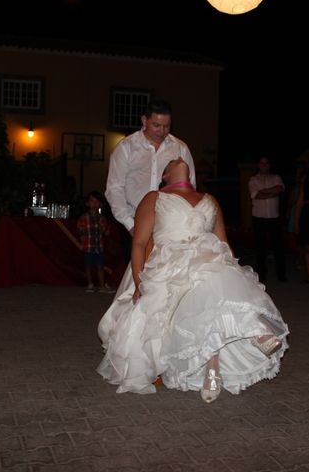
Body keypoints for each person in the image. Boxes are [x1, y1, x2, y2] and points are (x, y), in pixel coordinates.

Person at [97, 158, 289, 402]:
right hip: (170, 265)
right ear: (165, 175)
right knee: (202, 286)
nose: (179, 157)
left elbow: (222, 244)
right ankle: (245, 339)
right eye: (172, 160)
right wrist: (138, 282)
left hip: (209, 260)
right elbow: (138, 243)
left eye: (182, 157)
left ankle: (222, 360)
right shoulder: (154, 198)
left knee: (216, 280)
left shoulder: (209, 199)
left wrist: (234, 272)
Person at [105, 99, 196, 251]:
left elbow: (190, 186)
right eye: (156, 125)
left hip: (169, 224)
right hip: (133, 221)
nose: (162, 131)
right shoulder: (126, 147)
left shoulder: (180, 148)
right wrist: (130, 225)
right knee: (136, 271)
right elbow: (114, 189)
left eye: (166, 126)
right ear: (144, 120)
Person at [248, 156, 287, 282]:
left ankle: (281, 275)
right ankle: (262, 275)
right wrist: (272, 192)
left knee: (278, 248)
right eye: (261, 163)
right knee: (260, 248)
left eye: (266, 163)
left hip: (274, 218)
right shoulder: (253, 179)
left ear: (269, 165)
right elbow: (255, 195)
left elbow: (279, 189)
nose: (264, 165)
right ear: (258, 165)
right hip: (259, 218)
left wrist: (263, 192)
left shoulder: (276, 177)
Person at [77, 191, 115, 293]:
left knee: (100, 266)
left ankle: (102, 285)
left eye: (97, 201)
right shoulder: (83, 218)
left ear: (100, 204)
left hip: (99, 247)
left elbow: (105, 231)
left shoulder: (102, 218)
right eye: (92, 201)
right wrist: (82, 238)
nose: (94, 204)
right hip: (88, 246)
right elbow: (80, 231)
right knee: (88, 266)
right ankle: (90, 284)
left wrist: (106, 231)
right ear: (87, 203)